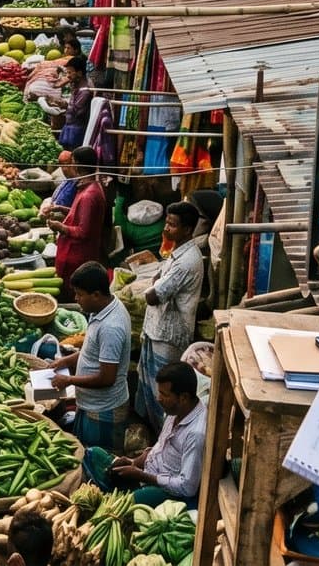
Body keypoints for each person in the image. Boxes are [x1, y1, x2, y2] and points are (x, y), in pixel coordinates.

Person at [84, 364, 207, 507]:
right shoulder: (176, 410)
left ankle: (126, 491)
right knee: (94, 453)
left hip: (167, 491)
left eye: (164, 395)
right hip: (148, 471)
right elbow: (160, 446)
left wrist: (143, 476)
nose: (159, 398)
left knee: (123, 503)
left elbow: (187, 487)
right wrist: (134, 461)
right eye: (159, 392)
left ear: (184, 398)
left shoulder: (196, 434)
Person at [136, 201, 203, 432]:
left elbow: (154, 295)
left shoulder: (187, 261)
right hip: (156, 329)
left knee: (164, 397)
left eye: (172, 225)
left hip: (169, 336)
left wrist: (153, 288)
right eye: (166, 223)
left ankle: (161, 438)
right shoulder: (177, 252)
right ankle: (153, 436)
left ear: (187, 229)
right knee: (150, 387)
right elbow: (157, 283)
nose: (166, 229)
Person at [52, 262, 130, 452]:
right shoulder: (103, 308)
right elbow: (91, 351)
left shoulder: (112, 327)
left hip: (103, 410)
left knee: (99, 460)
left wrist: (69, 380)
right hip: (90, 405)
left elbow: (107, 378)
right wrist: (66, 361)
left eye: (79, 294)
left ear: (96, 294)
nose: (76, 298)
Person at [50, 146, 109, 281]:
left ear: (77, 166)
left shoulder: (89, 195)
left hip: (78, 256)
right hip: (76, 253)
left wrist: (60, 227)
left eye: (72, 162)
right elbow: (80, 214)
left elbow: (83, 232)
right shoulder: (88, 186)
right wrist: (60, 208)